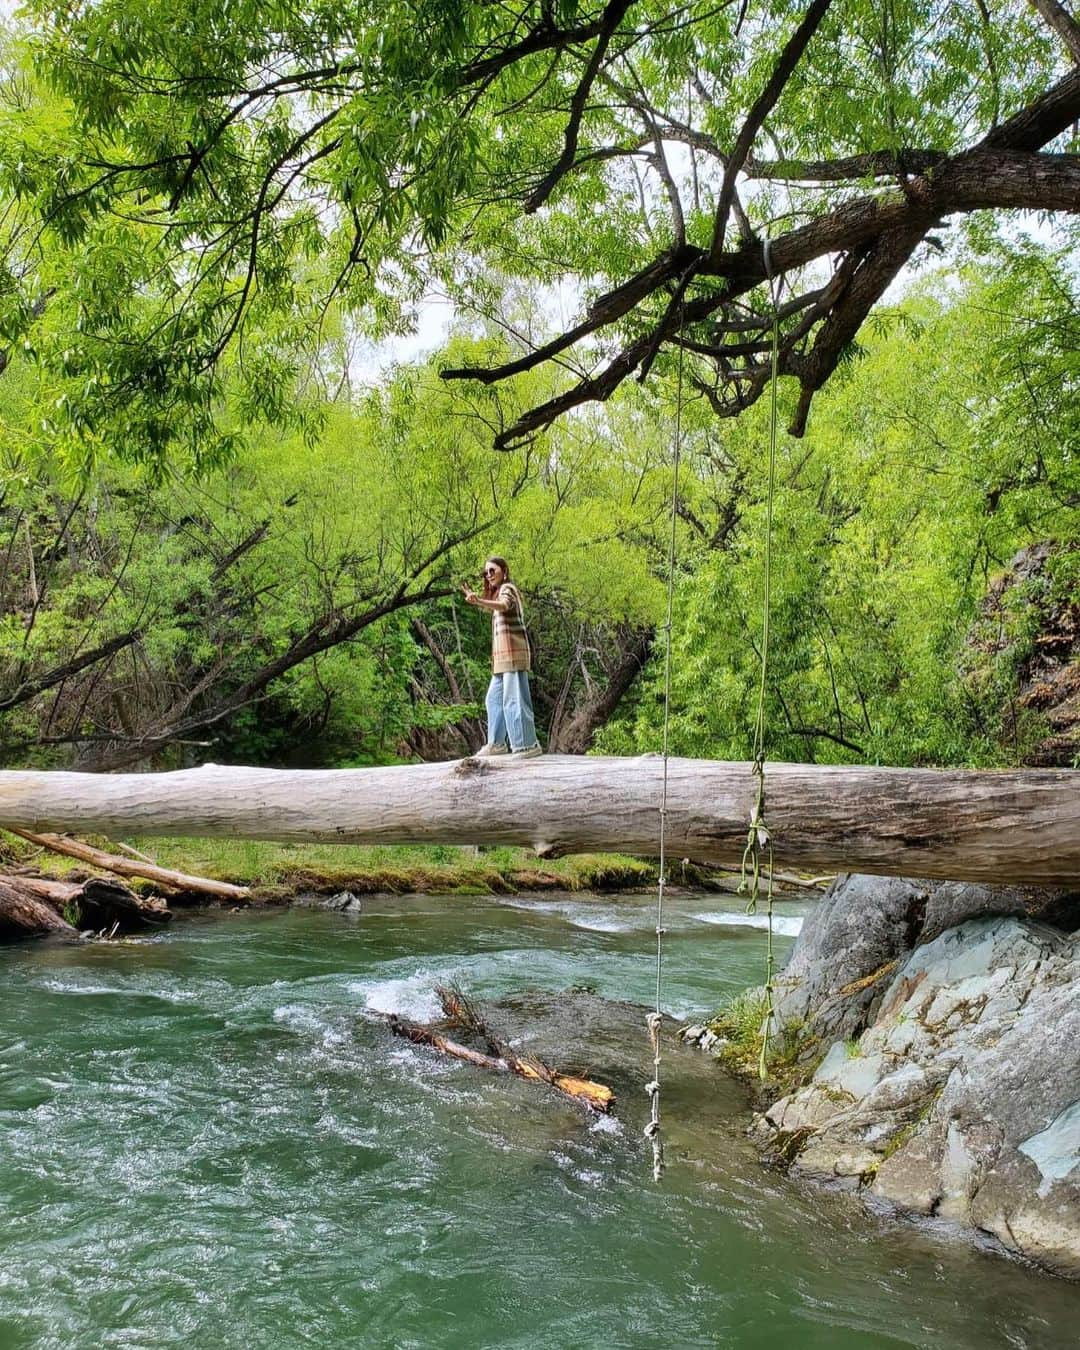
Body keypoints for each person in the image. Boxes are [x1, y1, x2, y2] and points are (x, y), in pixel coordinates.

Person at [461, 556, 542, 759]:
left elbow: (505, 605)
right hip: (501, 660)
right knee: (493, 700)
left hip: (513, 656)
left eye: (492, 571)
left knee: (513, 701)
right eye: (486, 573)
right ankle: (497, 744)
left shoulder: (507, 589)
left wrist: (479, 600)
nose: (488, 576)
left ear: (504, 571)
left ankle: (527, 745)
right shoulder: (498, 594)